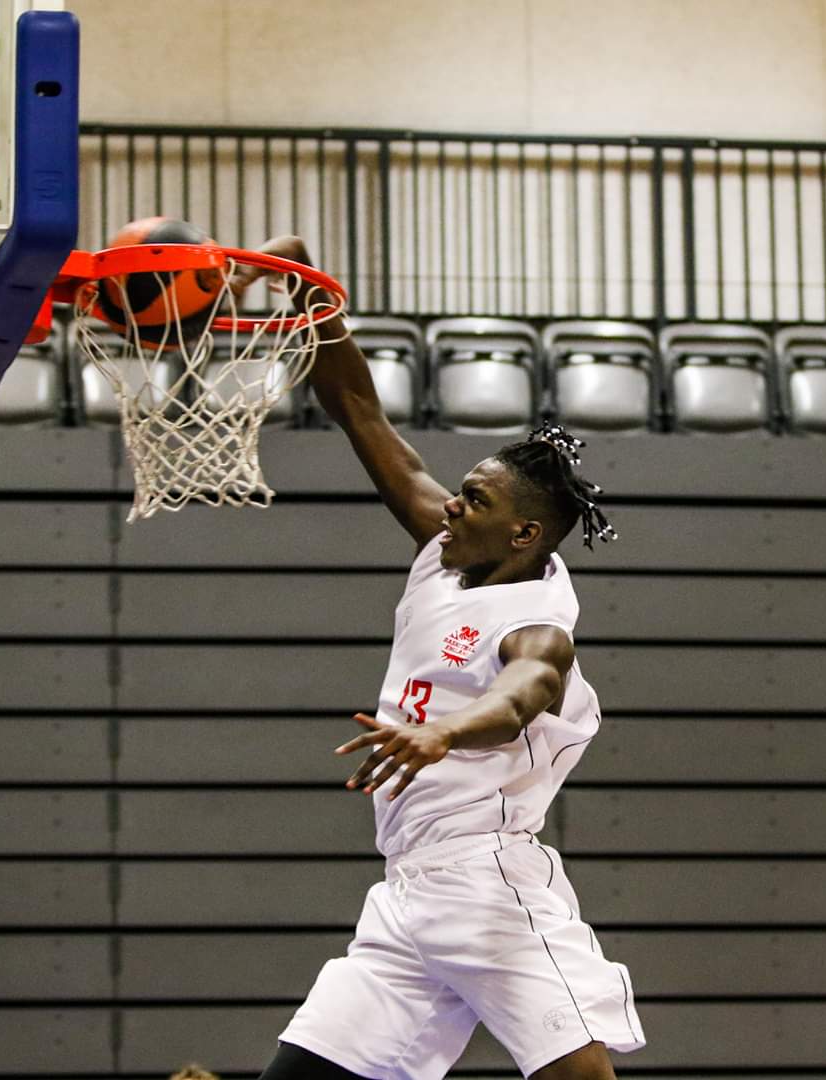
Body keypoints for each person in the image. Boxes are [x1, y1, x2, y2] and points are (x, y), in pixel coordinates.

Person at [233, 239, 646, 1080]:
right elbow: (360, 412)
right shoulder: (450, 547)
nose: (453, 502)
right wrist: (306, 285)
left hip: (491, 884)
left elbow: (525, 694)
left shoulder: (537, 621)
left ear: (524, 534)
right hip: (409, 893)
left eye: (477, 499)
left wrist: (443, 734)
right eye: (460, 489)